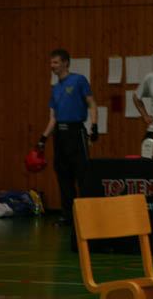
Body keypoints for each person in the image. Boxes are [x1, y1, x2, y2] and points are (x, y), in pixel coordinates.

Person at [36, 49, 98, 225]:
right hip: (60, 135)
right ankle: (68, 215)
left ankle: (87, 216)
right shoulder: (55, 89)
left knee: (82, 175)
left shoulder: (79, 80)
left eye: (55, 62)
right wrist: (43, 139)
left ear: (66, 63)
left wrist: (94, 126)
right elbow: (53, 118)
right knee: (63, 175)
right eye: (51, 62)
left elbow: (92, 103)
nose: (52, 66)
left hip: (76, 133)